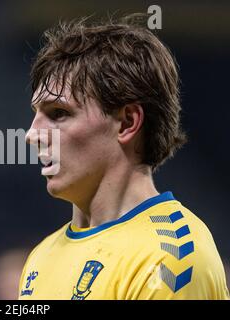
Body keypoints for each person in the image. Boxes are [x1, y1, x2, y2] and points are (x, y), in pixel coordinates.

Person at [19, 15, 229, 300]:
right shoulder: (40, 258)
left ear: (127, 122)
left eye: (59, 113)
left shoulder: (170, 257)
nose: (32, 134)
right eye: (36, 115)